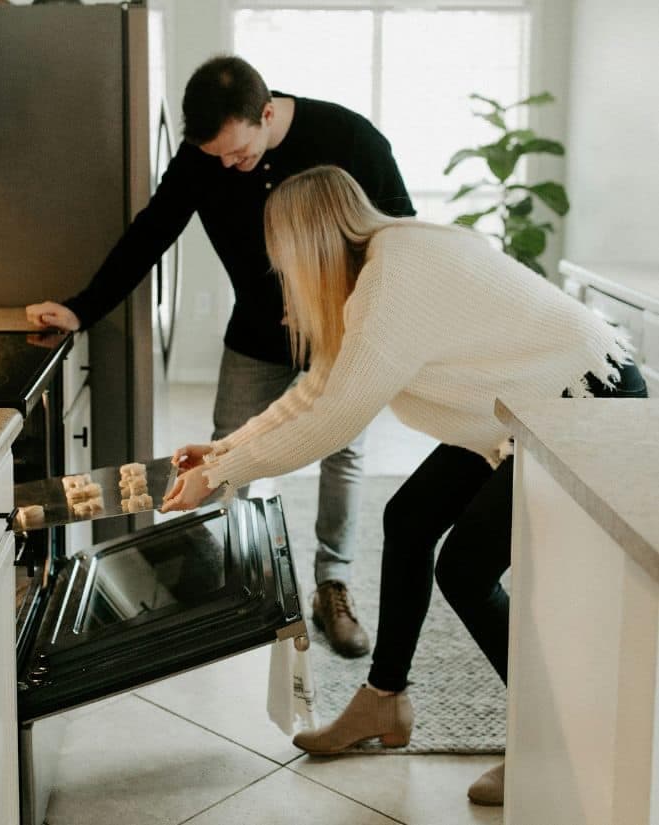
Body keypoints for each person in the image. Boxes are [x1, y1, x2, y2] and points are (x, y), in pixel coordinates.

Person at [161, 165, 648, 806]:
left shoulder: (393, 282)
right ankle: (384, 701)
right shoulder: (383, 262)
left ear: (307, 244)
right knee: (410, 517)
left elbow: (333, 419)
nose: (280, 272)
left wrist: (221, 474)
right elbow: (320, 390)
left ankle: (543, 746)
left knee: (465, 569)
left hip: (580, 398)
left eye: (281, 256)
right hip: (520, 407)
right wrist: (224, 449)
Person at [26, 55, 416, 658]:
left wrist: (348, 304)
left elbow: (400, 235)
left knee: (344, 452)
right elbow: (151, 232)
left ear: (266, 113)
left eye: (239, 153)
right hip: (255, 335)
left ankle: (331, 585)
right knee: (227, 449)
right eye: (218, 159)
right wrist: (82, 308)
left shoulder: (348, 137)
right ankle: (237, 583)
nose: (230, 167)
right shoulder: (206, 156)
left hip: (343, 331)